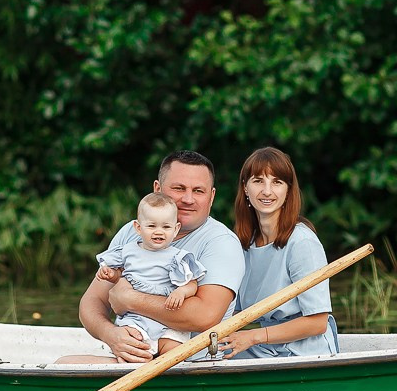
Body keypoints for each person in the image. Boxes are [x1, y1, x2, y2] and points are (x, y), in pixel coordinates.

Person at [60, 150, 244, 364]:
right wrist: (110, 335)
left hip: (191, 366)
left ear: (211, 197)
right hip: (134, 358)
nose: (188, 199)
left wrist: (130, 299)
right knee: (63, 364)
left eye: (198, 191)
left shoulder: (221, 243)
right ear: (157, 189)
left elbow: (205, 316)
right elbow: (92, 301)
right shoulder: (132, 233)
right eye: (178, 188)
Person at [217, 147, 337, 359]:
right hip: (267, 347)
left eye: (277, 182)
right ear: (245, 188)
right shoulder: (244, 244)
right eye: (258, 181)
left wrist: (252, 337)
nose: (267, 191)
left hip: (305, 352)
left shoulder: (302, 242)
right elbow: (230, 311)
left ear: (288, 191)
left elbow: (318, 322)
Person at [89, 192, 207, 357]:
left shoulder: (177, 257)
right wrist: (110, 274)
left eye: (166, 227)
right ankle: (135, 367)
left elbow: (191, 283)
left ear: (175, 229)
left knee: (175, 352)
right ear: (138, 227)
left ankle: (172, 377)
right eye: (152, 226)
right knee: (131, 343)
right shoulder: (128, 251)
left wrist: (181, 292)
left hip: (167, 320)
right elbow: (120, 277)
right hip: (136, 319)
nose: (159, 232)